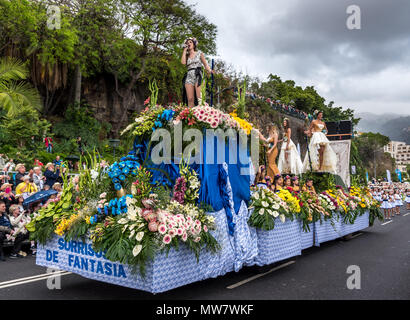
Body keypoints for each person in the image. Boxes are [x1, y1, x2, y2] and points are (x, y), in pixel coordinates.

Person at [181, 37, 214, 107]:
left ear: (194, 44)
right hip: (189, 76)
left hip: (198, 75)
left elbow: (205, 65)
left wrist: (210, 71)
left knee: (200, 98)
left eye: (190, 42)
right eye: (187, 43)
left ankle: (203, 115)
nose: (188, 44)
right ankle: (191, 116)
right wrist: (184, 51)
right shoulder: (186, 56)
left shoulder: (199, 53)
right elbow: (183, 63)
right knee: (190, 99)